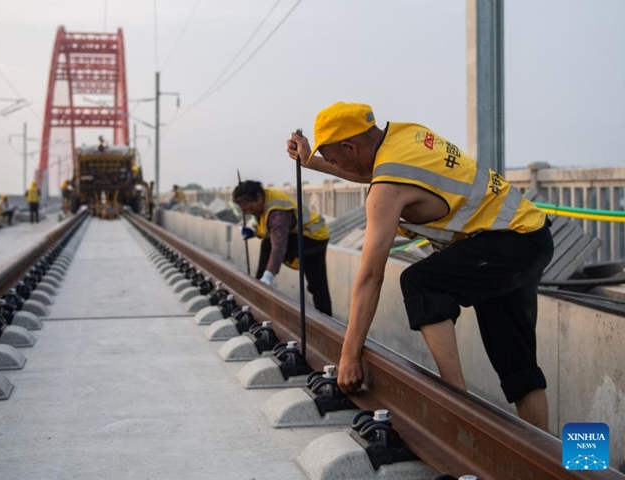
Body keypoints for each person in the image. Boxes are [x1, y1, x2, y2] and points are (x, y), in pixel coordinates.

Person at [286, 101, 553, 430]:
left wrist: (349, 355)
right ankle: (549, 458)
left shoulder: (386, 190)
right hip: (528, 234)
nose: (335, 165)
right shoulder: (406, 135)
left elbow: (371, 277)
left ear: (349, 146)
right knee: (517, 365)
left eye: (334, 158)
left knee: (421, 282)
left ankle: (457, 401)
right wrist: (311, 160)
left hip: (505, 244)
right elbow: (367, 168)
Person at [232, 180, 333, 316]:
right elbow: (268, 227)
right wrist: (253, 231)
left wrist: (269, 275)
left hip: (313, 237)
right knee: (316, 285)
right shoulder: (265, 198)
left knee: (317, 284)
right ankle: (258, 288)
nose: (247, 212)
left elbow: (278, 246)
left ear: (259, 198)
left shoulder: (277, 213)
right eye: (243, 210)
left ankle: (326, 320)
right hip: (301, 234)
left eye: (248, 208)